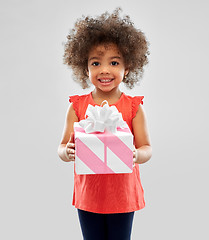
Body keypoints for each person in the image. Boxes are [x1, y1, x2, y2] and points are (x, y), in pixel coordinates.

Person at [58, 8, 152, 240]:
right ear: (86, 68)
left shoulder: (133, 107)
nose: (105, 70)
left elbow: (146, 148)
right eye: (96, 63)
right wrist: (66, 152)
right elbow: (61, 146)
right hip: (89, 194)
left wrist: (136, 156)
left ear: (127, 68)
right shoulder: (77, 106)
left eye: (114, 62)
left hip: (123, 195)